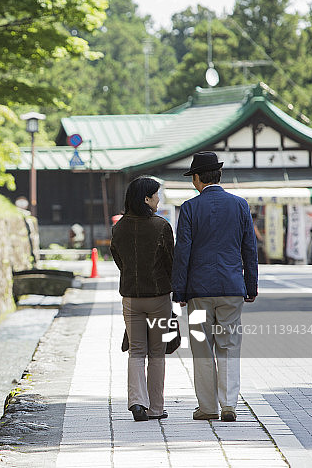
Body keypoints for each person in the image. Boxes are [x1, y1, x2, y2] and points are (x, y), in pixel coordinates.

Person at [171, 151, 258, 422]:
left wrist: (180, 290)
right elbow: (249, 249)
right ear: (218, 175)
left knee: (201, 347)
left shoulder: (189, 208)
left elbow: (182, 251)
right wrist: (250, 286)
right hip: (232, 288)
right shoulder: (240, 205)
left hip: (198, 291)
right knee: (229, 345)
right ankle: (229, 404)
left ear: (197, 178)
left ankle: (208, 407)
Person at [111, 176, 174, 422]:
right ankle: (156, 408)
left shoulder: (119, 227)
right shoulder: (161, 226)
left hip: (130, 297)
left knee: (136, 351)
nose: (158, 199)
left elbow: (119, 261)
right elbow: (171, 261)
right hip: (158, 298)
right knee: (157, 353)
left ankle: (137, 402)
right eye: (156, 195)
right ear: (146, 198)